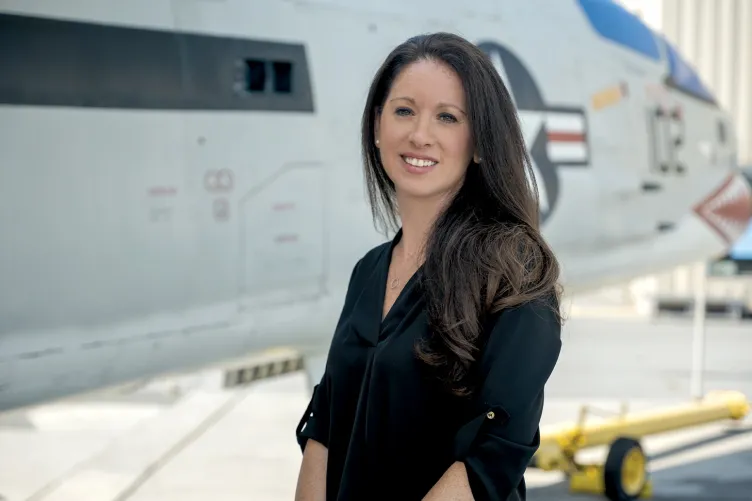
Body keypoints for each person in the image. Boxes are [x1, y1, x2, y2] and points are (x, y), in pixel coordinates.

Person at [294, 32, 563, 501]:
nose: (420, 134)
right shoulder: (369, 271)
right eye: (403, 111)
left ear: (480, 143)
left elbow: (493, 450)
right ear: (377, 127)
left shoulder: (515, 271)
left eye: (447, 117)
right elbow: (326, 423)